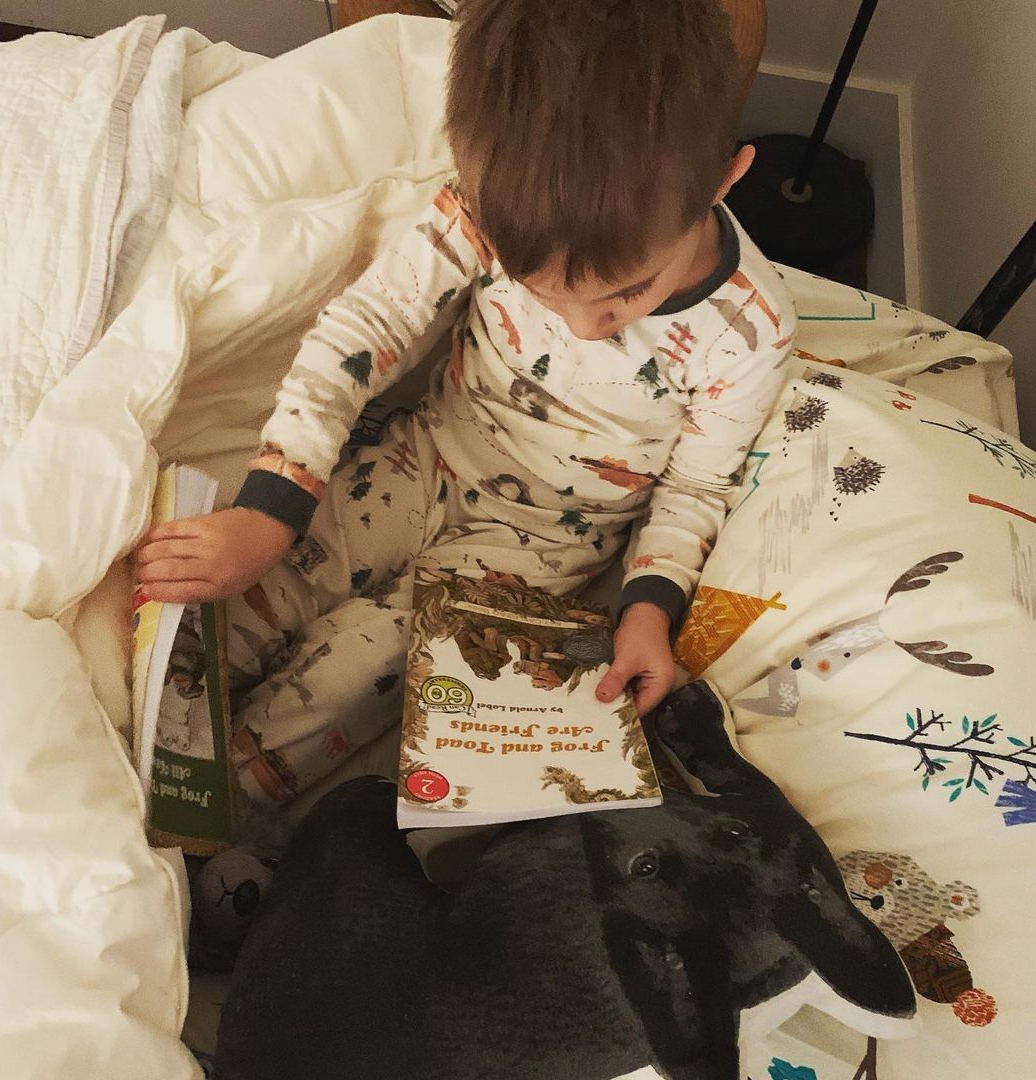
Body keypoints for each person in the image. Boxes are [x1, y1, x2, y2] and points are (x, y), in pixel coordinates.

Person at [135, 0, 796, 809]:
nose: (584, 328)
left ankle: (221, 839)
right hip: (424, 455)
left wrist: (649, 610)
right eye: (542, 295)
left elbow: (696, 489)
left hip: (543, 552)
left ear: (727, 177)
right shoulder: (490, 202)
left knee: (352, 677)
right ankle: (145, 766)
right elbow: (366, 325)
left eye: (628, 295)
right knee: (241, 603)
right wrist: (270, 508)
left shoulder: (750, 331)